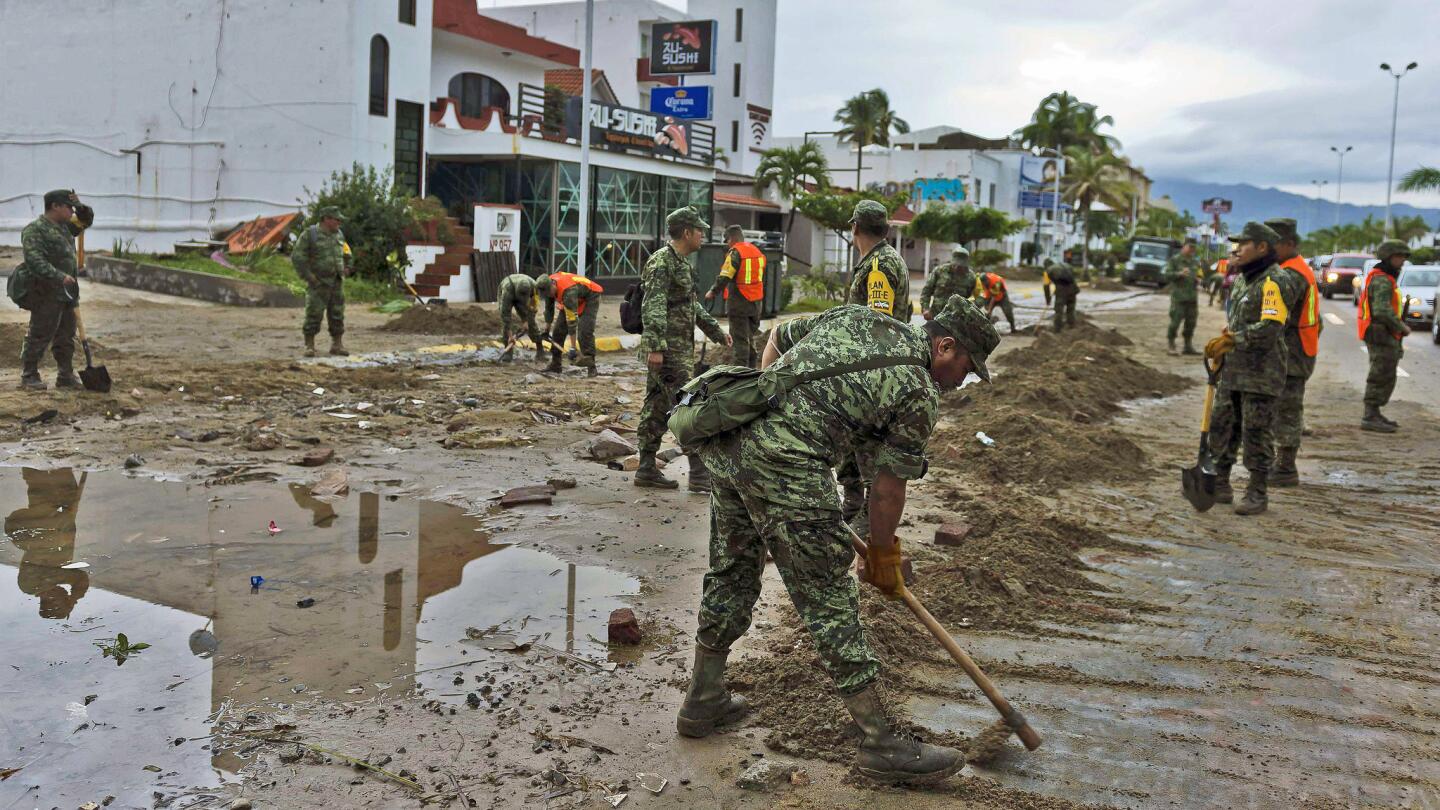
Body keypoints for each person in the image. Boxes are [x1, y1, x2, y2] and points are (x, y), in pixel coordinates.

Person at [677, 295, 999, 784]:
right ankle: (880, 743)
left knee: (733, 569)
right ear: (945, 344)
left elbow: (776, 342)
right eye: (966, 366)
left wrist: (781, 420)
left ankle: (703, 699)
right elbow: (888, 489)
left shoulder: (859, 318)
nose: (962, 380)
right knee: (828, 598)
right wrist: (883, 555)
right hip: (788, 467)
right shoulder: (918, 391)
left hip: (734, 443)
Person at [635, 206, 730, 490]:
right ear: (687, 232)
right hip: (668, 353)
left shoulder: (679, 263)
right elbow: (652, 305)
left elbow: (691, 305)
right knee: (687, 406)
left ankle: (645, 468)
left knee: (656, 406)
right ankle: (700, 476)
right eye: (699, 230)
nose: (703, 235)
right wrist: (655, 347)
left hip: (674, 351)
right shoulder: (662, 262)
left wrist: (715, 331)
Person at [1203, 222, 1295, 516]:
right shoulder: (1244, 279)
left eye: (1244, 244)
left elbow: (1269, 329)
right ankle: (1220, 483)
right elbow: (1241, 320)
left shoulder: (1276, 281)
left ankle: (1257, 491)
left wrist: (1233, 339)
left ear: (1262, 247)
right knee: (1223, 425)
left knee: (1256, 432)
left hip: (1261, 373)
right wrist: (1228, 333)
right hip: (1233, 370)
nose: (1237, 250)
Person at [839, 200, 912, 523]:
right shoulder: (880, 260)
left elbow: (877, 325)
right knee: (852, 447)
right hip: (873, 370)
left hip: (871, 374)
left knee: (866, 448)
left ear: (855, 227)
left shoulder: (879, 265)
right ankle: (853, 510)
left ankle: (867, 523)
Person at [8, 189, 93, 390]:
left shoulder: (65, 228)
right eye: (69, 207)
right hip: (45, 290)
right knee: (40, 332)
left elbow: (86, 220)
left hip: (68, 292)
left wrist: (81, 207)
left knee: (66, 334)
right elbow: (35, 260)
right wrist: (59, 276)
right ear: (55, 206)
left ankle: (65, 374)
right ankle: (29, 375)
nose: (72, 212)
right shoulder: (35, 230)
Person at [1264, 219, 1322, 486]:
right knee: (1280, 407)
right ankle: (1279, 462)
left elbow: (1275, 319)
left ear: (1289, 244)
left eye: (1272, 244)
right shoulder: (1288, 268)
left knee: (1287, 409)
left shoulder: (1293, 274)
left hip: (1292, 353)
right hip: (1292, 350)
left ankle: (1286, 467)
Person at [5, 468, 89, 619]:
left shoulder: (29, 585)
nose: (66, 594)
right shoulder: (52, 580)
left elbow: (79, 578)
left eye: (65, 599)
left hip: (45, 516)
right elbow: (80, 578)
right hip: (57, 514)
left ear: (54, 600)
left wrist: (73, 599)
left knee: (41, 483)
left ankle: (34, 458)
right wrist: (72, 600)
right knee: (64, 478)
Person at [1357, 240, 1411, 432]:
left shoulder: (1385, 277)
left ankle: (1375, 412)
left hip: (1382, 332)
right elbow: (1381, 310)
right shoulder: (1381, 280)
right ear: (1389, 257)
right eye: (1399, 257)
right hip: (1380, 332)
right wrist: (1401, 326)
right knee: (1381, 373)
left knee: (1386, 372)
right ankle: (1370, 415)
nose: (1403, 261)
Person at [293, 206, 353, 357]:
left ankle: (337, 344)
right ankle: (309, 345)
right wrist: (309, 277)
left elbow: (347, 253)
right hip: (318, 283)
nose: (339, 222)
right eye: (336, 219)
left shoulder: (339, 235)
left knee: (337, 314)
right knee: (314, 313)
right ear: (326, 219)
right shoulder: (310, 234)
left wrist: (347, 267)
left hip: (336, 282)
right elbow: (298, 257)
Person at [705, 225, 765, 368]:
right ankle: (751, 373)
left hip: (739, 304)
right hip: (756, 304)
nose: (726, 244)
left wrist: (713, 292)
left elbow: (725, 275)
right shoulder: (756, 251)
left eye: (726, 241)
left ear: (731, 239)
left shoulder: (735, 253)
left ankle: (740, 378)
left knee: (740, 343)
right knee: (750, 340)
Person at [537, 271, 603, 376]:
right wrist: (546, 330)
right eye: (546, 294)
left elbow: (572, 321)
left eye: (549, 293)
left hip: (590, 296)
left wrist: (572, 348)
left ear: (553, 285)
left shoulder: (568, 291)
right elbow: (549, 311)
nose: (549, 295)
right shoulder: (547, 287)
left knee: (585, 330)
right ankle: (556, 364)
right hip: (573, 298)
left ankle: (591, 366)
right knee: (558, 330)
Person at [496, 272, 546, 363]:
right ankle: (508, 352)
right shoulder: (507, 291)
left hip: (521, 290)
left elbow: (533, 309)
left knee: (531, 321)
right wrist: (511, 336)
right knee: (505, 324)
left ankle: (540, 348)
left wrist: (526, 321)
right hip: (509, 288)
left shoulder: (534, 287)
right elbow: (505, 316)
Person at [1165, 238, 1203, 355]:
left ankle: (1188, 346)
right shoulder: (1175, 260)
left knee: (1191, 323)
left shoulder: (1195, 262)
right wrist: (1179, 274)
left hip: (1192, 298)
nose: (1192, 249)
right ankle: (1171, 344)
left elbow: (1200, 274)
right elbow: (1167, 275)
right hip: (1179, 298)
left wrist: (1199, 280)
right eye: (1190, 247)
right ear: (1184, 246)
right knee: (1175, 322)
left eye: (1194, 247)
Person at [919, 246, 977, 320]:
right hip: (936, 317)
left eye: (961, 266)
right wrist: (925, 309)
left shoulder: (971, 277)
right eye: (956, 264)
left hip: (957, 319)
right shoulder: (939, 271)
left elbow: (975, 296)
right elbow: (926, 291)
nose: (958, 267)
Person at [1043, 261, 1078, 332]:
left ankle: (1057, 330)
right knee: (1071, 309)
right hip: (1073, 288)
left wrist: (1048, 300)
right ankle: (1072, 327)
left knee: (1059, 310)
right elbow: (1074, 276)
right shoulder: (1067, 265)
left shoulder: (1048, 271)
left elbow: (1046, 287)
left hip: (1061, 290)